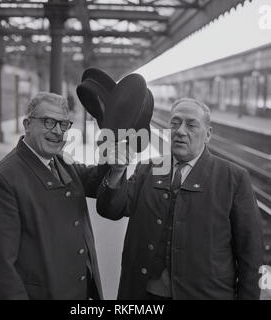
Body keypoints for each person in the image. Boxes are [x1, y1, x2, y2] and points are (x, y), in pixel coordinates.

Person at [97, 97, 264, 300]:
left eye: (191, 125)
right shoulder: (148, 169)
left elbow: (251, 252)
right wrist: (116, 172)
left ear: (208, 134)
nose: (181, 131)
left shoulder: (233, 178)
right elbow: (111, 209)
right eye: (175, 123)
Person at [0, 92, 110, 300]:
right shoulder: (3, 179)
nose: (58, 131)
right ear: (27, 124)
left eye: (64, 124)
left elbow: (94, 180)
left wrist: (113, 161)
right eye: (49, 122)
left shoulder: (60, 162)